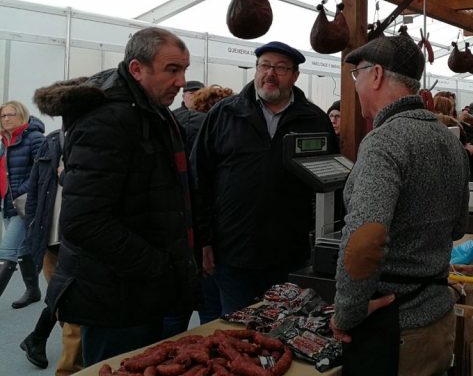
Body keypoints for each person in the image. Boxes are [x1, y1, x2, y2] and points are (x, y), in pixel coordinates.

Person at [40, 27, 200, 366]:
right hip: (115, 298)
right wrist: (156, 266)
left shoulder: (149, 111)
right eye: (172, 69)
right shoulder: (108, 119)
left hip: (139, 293)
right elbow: (84, 222)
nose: (182, 81)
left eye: (184, 70)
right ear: (137, 69)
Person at [330, 33, 469, 376]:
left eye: (356, 75)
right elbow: (458, 228)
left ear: (376, 75)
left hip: (395, 330)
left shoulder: (384, 141)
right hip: (438, 318)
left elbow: (363, 241)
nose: (355, 85)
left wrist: (347, 313)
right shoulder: (448, 139)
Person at [192, 41, 336, 315]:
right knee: (237, 331)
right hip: (233, 253)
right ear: (256, 69)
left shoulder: (313, 120)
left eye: (281, 68)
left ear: (294, 76)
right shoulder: (225, 114)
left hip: (290, 254)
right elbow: (199, 178)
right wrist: (203, 240)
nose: (270, 73)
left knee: (285, 328)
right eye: (265, 65)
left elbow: (330, 183)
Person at [161, 85, 233, 338]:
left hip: (171, 238)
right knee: (211, 312)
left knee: (172, 316)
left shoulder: (172, 124)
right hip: (208, 239)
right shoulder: (218, 132)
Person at [17, 126, 82, 373]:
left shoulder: (100, 136)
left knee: (71, 303)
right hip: (50, 238)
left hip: (78, 239)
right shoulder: (52, 140)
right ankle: (37, 339)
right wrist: (33, 226)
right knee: (60, 298)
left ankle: (64, 362)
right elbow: (35, 187)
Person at [0, 100, 45, 305]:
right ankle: (33, 291)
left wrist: (20, 191)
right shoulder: (4, 142)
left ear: (21, 115)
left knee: (6, 251)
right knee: (21, 249)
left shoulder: (34, 138)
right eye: (3, 115)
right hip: (7, 203)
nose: (6, 118)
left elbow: (40, 171)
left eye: (11, 114)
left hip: (23, 202)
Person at [172, 80, 205, 155]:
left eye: (199, 93)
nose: (196, 96)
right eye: (191, 93)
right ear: (183, 97)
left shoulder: (210, 116)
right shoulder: (173, 116)